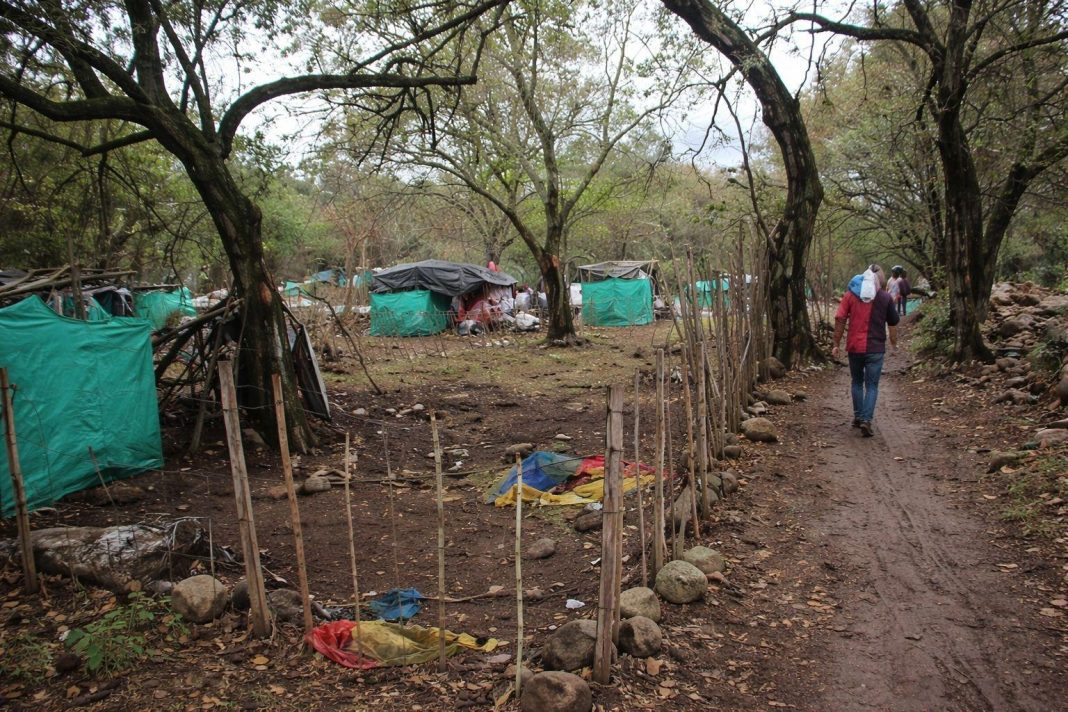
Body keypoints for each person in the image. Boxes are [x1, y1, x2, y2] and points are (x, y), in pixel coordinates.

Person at [831, 264, 900, 437]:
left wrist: (835, 344)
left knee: (856, 382)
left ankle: (858, 416)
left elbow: (840, 319)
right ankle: (866, 420)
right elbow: (893, 321)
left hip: (854, 347)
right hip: (876, 349)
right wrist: (893, 342)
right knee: (872, 385)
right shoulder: (885, 298)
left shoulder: (849, 296)